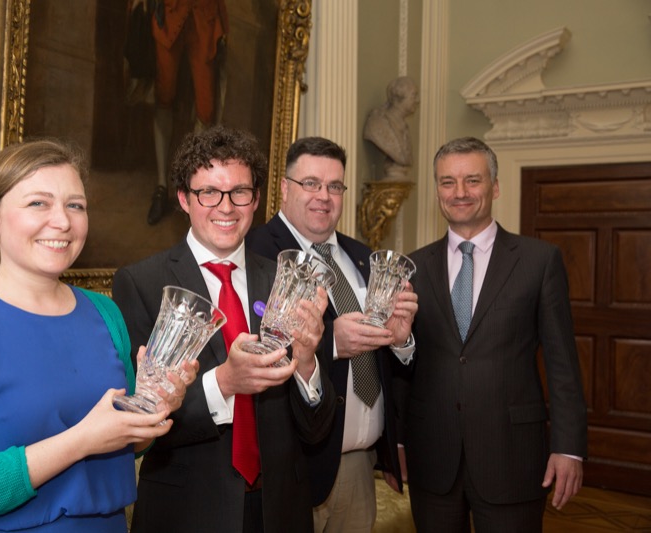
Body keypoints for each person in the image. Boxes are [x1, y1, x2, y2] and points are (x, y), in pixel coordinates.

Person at [0, 139, 195, 532]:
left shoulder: (105, 313)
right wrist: (80, 440)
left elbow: (128, 447)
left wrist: (156, 410)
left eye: (75, 205)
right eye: (39, 203)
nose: (63, 221)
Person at [113, 126, 336, 532]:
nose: (226, 206)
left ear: (256, 200)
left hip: (280, 511)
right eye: (209, 192)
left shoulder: (286, 280)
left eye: (240, 192)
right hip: (187, 512)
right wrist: (224, 383)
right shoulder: (142, 283)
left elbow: (317, 429)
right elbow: (140, 423)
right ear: (184, 199)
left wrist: (306, 362)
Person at [402, 137, 587, 532]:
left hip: (513, 459)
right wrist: (395, 443)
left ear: (495, 187)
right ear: (437, 190)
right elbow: (404, 362)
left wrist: (569, 447)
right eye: (447, 182)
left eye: (473, 180)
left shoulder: (539, 261)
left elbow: (563, 365)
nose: (460, 193)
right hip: (432, 458)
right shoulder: (413, 267)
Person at [246, 136, 419, 532]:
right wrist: (333, 343)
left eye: (334, 186)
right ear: (285, 189)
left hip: (360, 467)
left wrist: (401, 341)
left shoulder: (362, 256)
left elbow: (389, 362)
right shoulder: (255, 252)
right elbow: (255, 345)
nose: (324, 196)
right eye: (311, 183)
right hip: (293, 467)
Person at [146, 0, 229, 225]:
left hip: (205, 18)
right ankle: (162, 187)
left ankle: (195, 188)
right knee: (164, 95)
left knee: (206, 108)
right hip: (170, 13)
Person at [363, 76, 419, 180]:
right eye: (413, 95)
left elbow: (405, 158)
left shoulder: (404, 126)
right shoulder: (377, 123)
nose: (417, 100)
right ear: (399, 98)